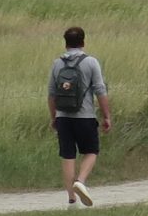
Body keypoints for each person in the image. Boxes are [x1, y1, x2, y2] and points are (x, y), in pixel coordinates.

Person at [47, 26, 110, 205]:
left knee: (68, 156)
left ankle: (71, 198)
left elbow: (51, 94)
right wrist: (106, 115)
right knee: (91, 151)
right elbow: (100, 90)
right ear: (83, 42)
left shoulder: (57, 64)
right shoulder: (91, 62)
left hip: (63, 117)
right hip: (85, 116)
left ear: (65, 43)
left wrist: (54, 117)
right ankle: (80, 182)